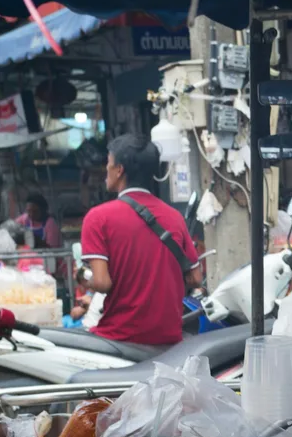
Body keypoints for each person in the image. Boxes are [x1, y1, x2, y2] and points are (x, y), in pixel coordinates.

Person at [78, 135, 203, 346]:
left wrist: (84, 281)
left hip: (118, 337)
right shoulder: (174, 217)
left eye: (108, 165)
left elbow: (102, 282)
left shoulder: (98, 218)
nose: (105, 171)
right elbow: (196, 278)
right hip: (169, 339)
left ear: (119, 170)